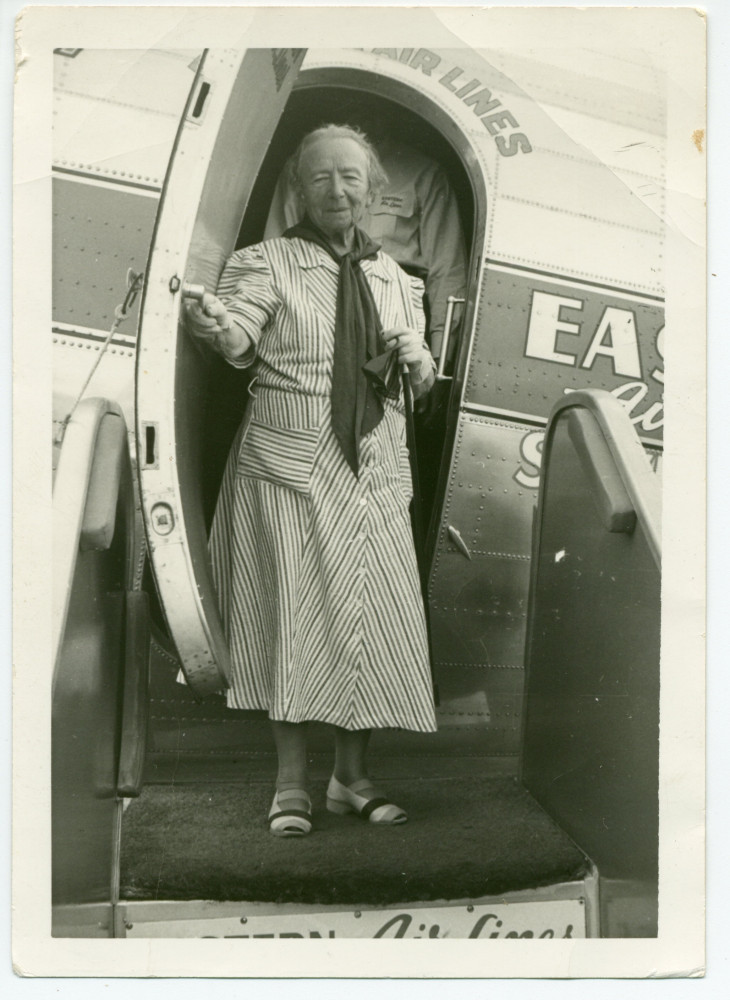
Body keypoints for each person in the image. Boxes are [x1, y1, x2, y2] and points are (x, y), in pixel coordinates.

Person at [186, 125, 438, 838]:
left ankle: (350, 780)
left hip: (376, 471)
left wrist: (419, 364)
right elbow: (239, 340)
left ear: (373, 188)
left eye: (351, 176)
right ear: (299, 188)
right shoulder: (263, 263)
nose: (337, 190)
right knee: (291, 622)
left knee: (370, 621)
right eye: (321, 177)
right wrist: (214, 325)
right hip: (288, 467)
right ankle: (290, 784)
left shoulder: (399, 281)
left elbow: (417, 385)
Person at [265, 134, 467, 361]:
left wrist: (440, 356)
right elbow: (276, 253)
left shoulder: (424, 173)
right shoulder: (305, 166)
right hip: (313, 302)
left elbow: (447, 270)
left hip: (390, 312)